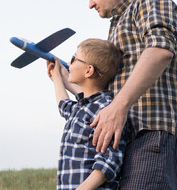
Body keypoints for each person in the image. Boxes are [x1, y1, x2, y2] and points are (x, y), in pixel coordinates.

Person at [78, 0, 177, 189]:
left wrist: (118, 107)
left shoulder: (148, 1)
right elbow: (106, 91)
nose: (90, 4)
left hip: (152, 134)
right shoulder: (116, 27)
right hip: (125, 141)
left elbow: (160, 51)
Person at [47, 38, 129, 190]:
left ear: (89, 70)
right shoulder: (82, 108)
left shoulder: (106, 111)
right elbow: (64, 106)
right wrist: (57, 78)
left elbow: (108, 163)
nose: (70, 64)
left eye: (74, 59)